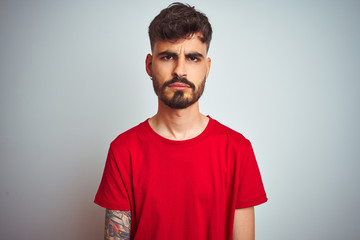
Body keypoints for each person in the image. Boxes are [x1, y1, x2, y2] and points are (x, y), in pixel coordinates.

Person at [94, 3, 267, 240]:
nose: (180, 70)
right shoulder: (123, 151)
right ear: (149, 65)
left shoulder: (238, 150)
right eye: (167, 56)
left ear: (207, 68)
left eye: (193, 58)